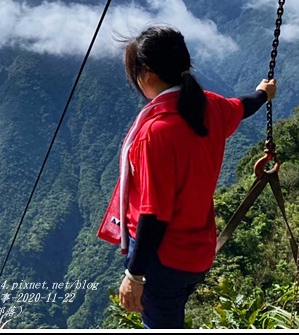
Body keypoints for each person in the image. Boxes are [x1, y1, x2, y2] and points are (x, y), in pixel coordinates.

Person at [96, 25, 277, 329]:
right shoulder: (210, 106)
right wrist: (263, 94)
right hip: (197, 255)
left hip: (161, 262)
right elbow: (243, 106)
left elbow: (154, 215)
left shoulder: (156, 133)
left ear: (148, 73)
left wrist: (134, 276)